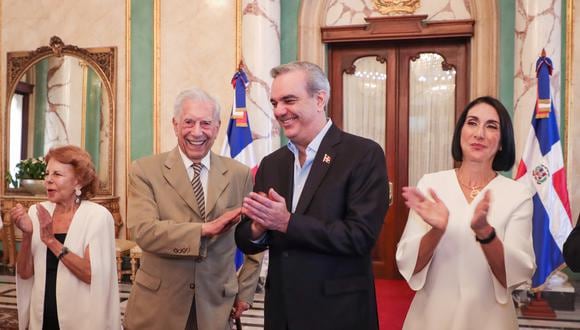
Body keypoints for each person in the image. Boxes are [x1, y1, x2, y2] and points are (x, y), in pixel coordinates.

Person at [235, 61, 389, 330]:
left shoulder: (362, 154)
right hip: (282, 312)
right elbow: (246, 238)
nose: (280, 111)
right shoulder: (272, 163)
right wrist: (259, 227)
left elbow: (360, 237)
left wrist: (286, 222)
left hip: (338, 313)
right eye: (274, 103)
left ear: (320, 99)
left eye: (289, 100)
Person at [123, 87, 262, 330]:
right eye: (189, 122)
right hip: (158, 308)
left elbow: (255, 239)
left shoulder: (239, 175)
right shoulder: (145, 170)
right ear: (175, 125)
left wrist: (246, 290)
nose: (197, 132)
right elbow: (144, 231)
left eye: (206, 123)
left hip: (217, 307)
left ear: (218, 127)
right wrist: (204, 230)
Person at [396, 96, 536, 329]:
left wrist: (485, 233)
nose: (479, 133)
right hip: (431, 316)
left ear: (502, 142)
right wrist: (437, 230)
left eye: (491, 126)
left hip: (490, 319)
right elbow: (410, 263)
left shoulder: (518, 194)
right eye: (472, 123)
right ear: (460, 132)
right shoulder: (431, 184)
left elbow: (512, 275)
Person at [12, 145, 120, 330]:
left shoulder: (97, 216)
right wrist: (28, 235)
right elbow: (24, 274)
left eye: (57, 174)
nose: (48, 180)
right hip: (42, 316)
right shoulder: (37, 212)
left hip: (82, 319)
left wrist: (51, 241)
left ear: (78, 182)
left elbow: (91, 275)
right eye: (47, 174)